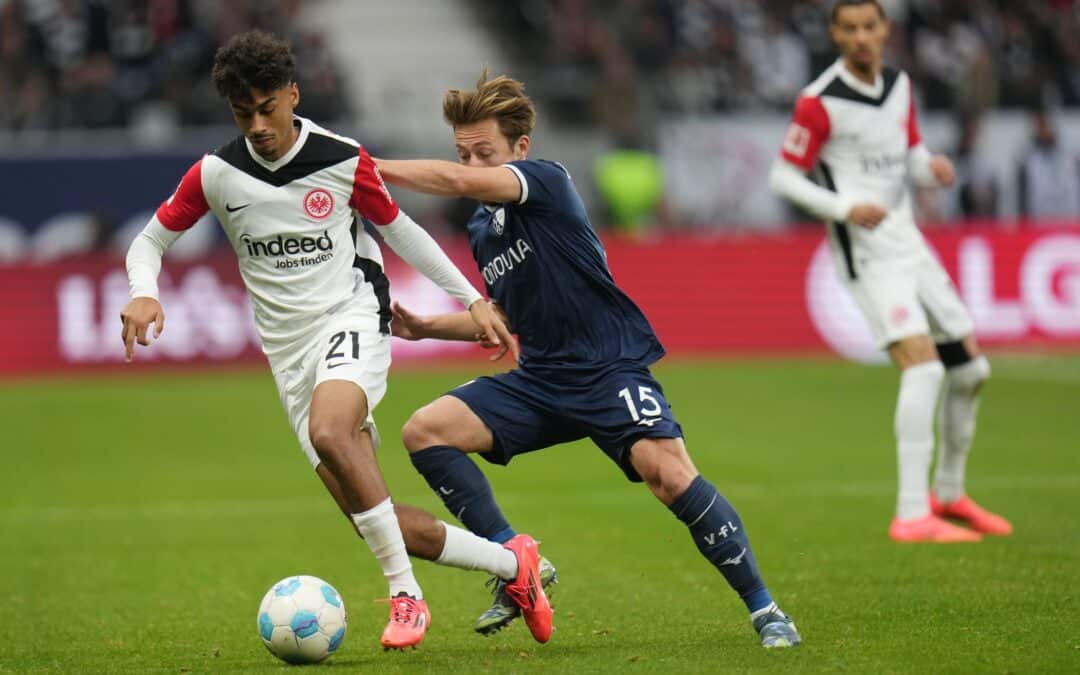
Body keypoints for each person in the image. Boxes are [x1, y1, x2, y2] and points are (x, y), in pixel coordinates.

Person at [120, 31, 553, 651]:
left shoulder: (340, 158)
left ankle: (406, 596)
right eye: (244, 114)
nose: (259, 124)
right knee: (371, 519)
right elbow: (150, 241)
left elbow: (402, 233)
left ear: (292, 95)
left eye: (268, 107)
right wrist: (144, 290)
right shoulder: (216, 174)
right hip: (288, 355)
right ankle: (517, 567)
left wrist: (472, 299)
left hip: (353, 317)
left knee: (332, 432)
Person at [375, 69, 802, 649]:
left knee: (670, 476)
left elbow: (453, 182)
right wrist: (429, 328)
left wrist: (368, 170)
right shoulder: (484, 228)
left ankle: (766, 611)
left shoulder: (545, 181)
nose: (473, 166)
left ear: (519, 149)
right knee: (426, 432)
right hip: (541, 380)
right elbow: (506, 315)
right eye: (464, 154)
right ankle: (518, 563)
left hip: (607, 368)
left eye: (484, 153)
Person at [768, 0, 1012, 542]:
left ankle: (948, 495)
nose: (860, 37)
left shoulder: (898, 84)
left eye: (869, 27)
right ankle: (910, 514)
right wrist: (843, 207)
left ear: (885, 31)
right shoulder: (819, 102)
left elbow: (910, 150)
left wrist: (932, 167)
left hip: (909, 241)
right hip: (867, 252)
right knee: (923, 369)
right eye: (849, 28)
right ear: (835, 33)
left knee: (972, 371)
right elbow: (784, 177)